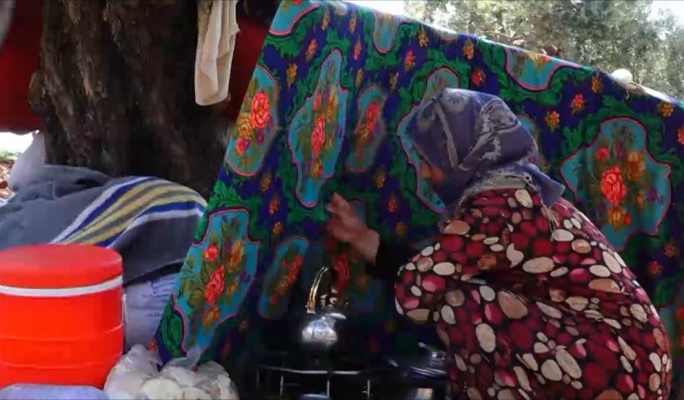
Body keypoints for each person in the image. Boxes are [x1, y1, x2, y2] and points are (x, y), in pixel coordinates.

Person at [325, 88, 671, 399]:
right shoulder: (518, 192)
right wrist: (359, 236)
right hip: (628, 360)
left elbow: (417, 292)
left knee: (458, 303)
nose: (425, 174)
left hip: (618, 364)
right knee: (458, 289)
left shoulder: (502, 203)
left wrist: (419, 279)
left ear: (463, 154)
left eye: (429, 161)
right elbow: (438, 267)